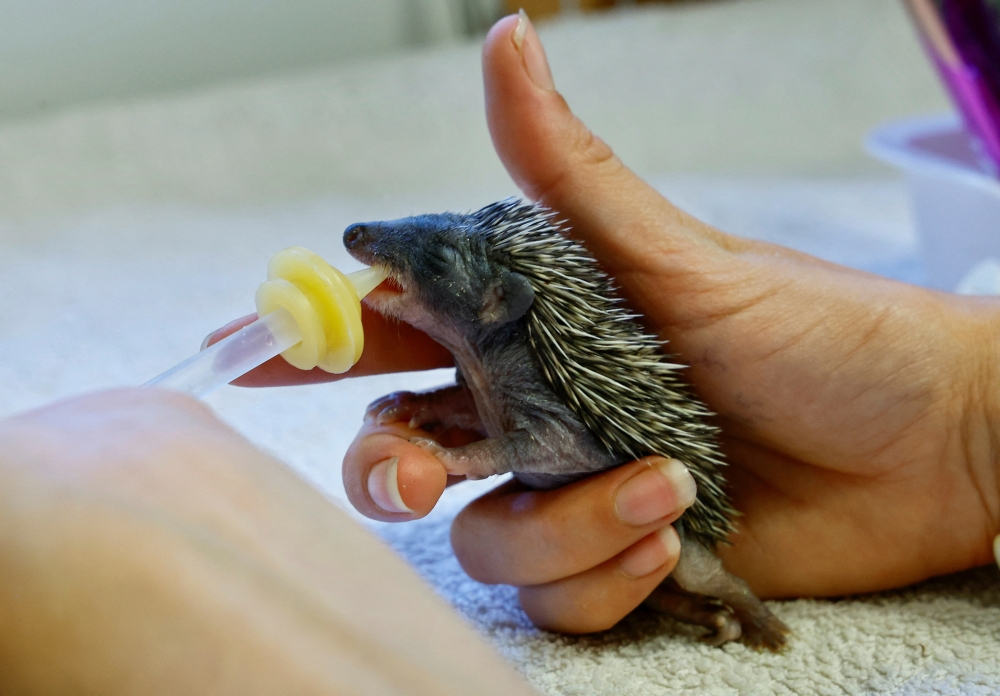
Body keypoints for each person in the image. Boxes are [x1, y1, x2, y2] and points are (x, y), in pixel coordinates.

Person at [1, 11, 997, 693]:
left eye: (419, 261)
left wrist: (472, 450)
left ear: (500, 300)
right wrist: (964, 423)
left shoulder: (537, 380)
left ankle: (733, 600)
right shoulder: (498, 335)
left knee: (685, 561)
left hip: (632, 466)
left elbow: (535, 443)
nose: (371, 252)